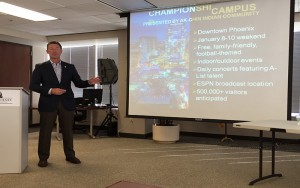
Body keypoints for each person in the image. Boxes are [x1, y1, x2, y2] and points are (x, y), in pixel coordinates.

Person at [30, 41, 101, 167]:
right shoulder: (40, 67)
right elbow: (33, 85)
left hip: (67, 103)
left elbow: (78, 83)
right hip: (48, 103)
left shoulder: (70, 67)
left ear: (61, 51)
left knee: (68, 131)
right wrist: (51, 90)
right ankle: (43, 158)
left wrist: (90, 82)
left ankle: (70, 155)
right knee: (45, 132)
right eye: (51, 49)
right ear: (47, 52)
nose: (54, 51)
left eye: (57, 48)